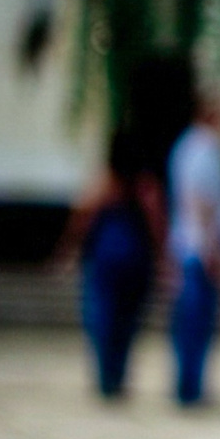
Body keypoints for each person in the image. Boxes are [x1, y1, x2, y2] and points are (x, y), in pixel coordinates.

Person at [59, 125, 166, 400]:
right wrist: (162, 256)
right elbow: (156, 222)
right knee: (127, 320)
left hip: (105, 258)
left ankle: (108, 376)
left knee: (102, 317)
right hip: (135, 257)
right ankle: (117, 374)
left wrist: (69, 249)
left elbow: (82, 217)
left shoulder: (106, 181)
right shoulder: (144, 184)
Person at [165, 86, 220, 407]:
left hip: (189, 246)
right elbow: (204, 201)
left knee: (189, 322)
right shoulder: (205, 148)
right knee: (197, 323)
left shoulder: (186, 146)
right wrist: (215, 249)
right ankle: (190, 388)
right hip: (201, 249)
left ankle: (188, 385)